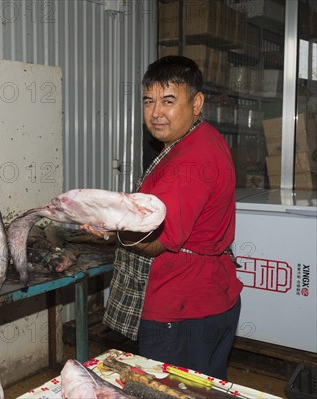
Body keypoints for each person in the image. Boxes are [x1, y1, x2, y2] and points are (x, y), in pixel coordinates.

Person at [98, 56, 243, 380]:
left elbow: (155, 243)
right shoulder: (201, 137)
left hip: (180, 312)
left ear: (196, 102)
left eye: (168, 101)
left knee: (171, 389)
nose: (155, 113)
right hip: (210, 298)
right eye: (148, 101)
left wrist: (108, 225)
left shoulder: (187, 165)